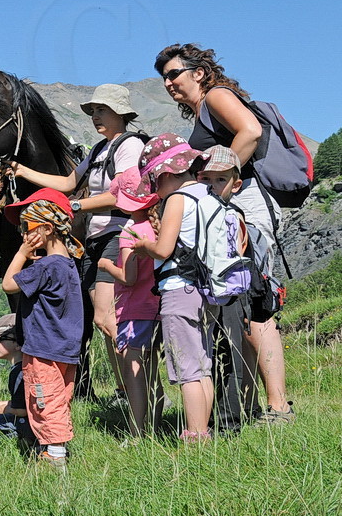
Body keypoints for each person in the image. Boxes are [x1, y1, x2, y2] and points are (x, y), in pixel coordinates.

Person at [154, 44, 294, 425]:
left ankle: (279, 406)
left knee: (256, 300)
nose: (168, 83)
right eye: (164, 78)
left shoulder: (215, 96)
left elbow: (251, 131)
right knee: (239, 300)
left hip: (247, 203)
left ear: (198, 72)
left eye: (174, 74)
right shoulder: (204, 111)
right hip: (235, 204)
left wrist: (217, 185)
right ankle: (248, 406)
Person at [7, 84, 146, 405]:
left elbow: (125, 194)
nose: (95, 116)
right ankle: (128, 392)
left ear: (120, 113)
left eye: (102, 110)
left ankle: (142, 388)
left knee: (106, 318)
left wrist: (76, 206)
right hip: (96, 239)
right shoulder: (99, 149)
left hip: (117, 234)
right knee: (104, 320)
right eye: (93, 111)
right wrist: (23, 171)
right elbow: (70, 183)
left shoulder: (129, 146)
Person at [130, 134, 215, 444]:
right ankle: (204, 431)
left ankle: (195, 437)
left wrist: (144, 247)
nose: (155, 191)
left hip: (180, 288)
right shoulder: (209, 194)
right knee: (203, 366)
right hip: (207, 289)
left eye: (154, 182)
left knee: (187, 369)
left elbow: (164, 249)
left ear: (165, 173)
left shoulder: (177, 199)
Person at [1, 188, 85, 467]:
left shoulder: (45, 266)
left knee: (43, 401)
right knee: (58, 400)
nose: (23, 234)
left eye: (27, 227)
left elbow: (8, 284)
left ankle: (54, 455)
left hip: (43, 349)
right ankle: (53, 448)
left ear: (47, 228)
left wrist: (21, 253)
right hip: (66, 348)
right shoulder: (69, 264)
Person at [97, 167, 165, 438]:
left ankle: (137, 433)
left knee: (134, 372)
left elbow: (129, 277)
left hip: (134, 311)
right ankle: (155, 427)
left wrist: (106, 265)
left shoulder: (131, 232)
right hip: (157, 309)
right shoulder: (158, 227)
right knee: (152, 372)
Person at [197, 145, 257, 434]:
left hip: (230, 292)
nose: (212, 185)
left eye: (220, 179)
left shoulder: (234, 214)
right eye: (206, 179)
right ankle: (205, 418)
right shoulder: (197, 209)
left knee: (229, 354)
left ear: (236, 185)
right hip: (203, 290)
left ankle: (229, 423)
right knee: (205, 354)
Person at [0, 313, 38, 456]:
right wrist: (0, 403)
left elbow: (22, 411)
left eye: (0, 339)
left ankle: (17, 450)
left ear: (18, 343)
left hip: (33, 425)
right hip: (44, 422)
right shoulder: (29, 366)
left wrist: (2, 409)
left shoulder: (18, 372)